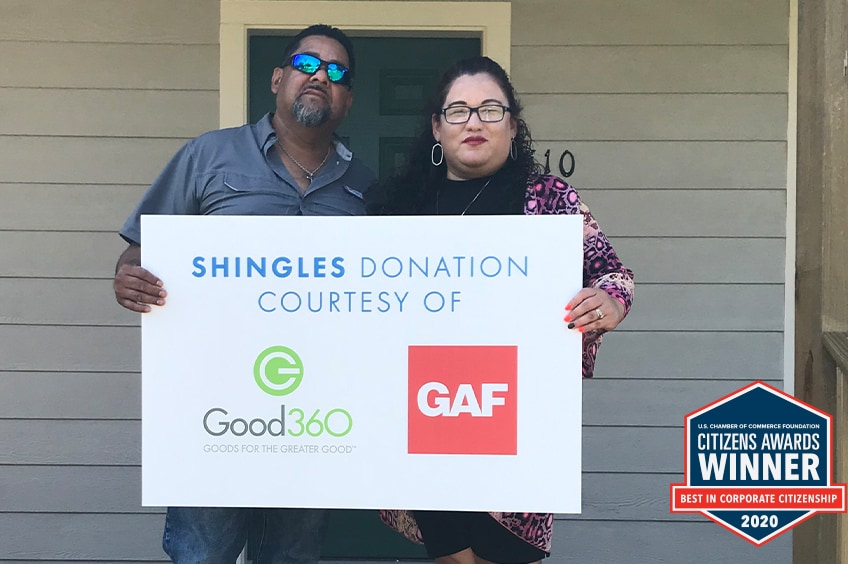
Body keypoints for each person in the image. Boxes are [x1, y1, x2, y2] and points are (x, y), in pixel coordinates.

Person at [112, 24, 375, 564]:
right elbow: (140, 253)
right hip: (213, 405)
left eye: (336, 71)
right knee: (203, 554)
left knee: (291, 555)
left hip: (316, 414)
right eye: (306, 64)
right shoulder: (208, 155)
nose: (320, 76)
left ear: (347, 99)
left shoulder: (366, 187)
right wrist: (130, 277)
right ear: (278, 78)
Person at [370, 56, 634, 564]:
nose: (474, 122)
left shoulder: (550, 200)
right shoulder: (399, 205)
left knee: (503, 553)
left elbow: (612, 274)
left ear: (513, 125)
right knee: (453, 555)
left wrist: (609, 301)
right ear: (437, 127)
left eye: (491, 109)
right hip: (426, 412)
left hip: (517, 415)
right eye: (459, 111)